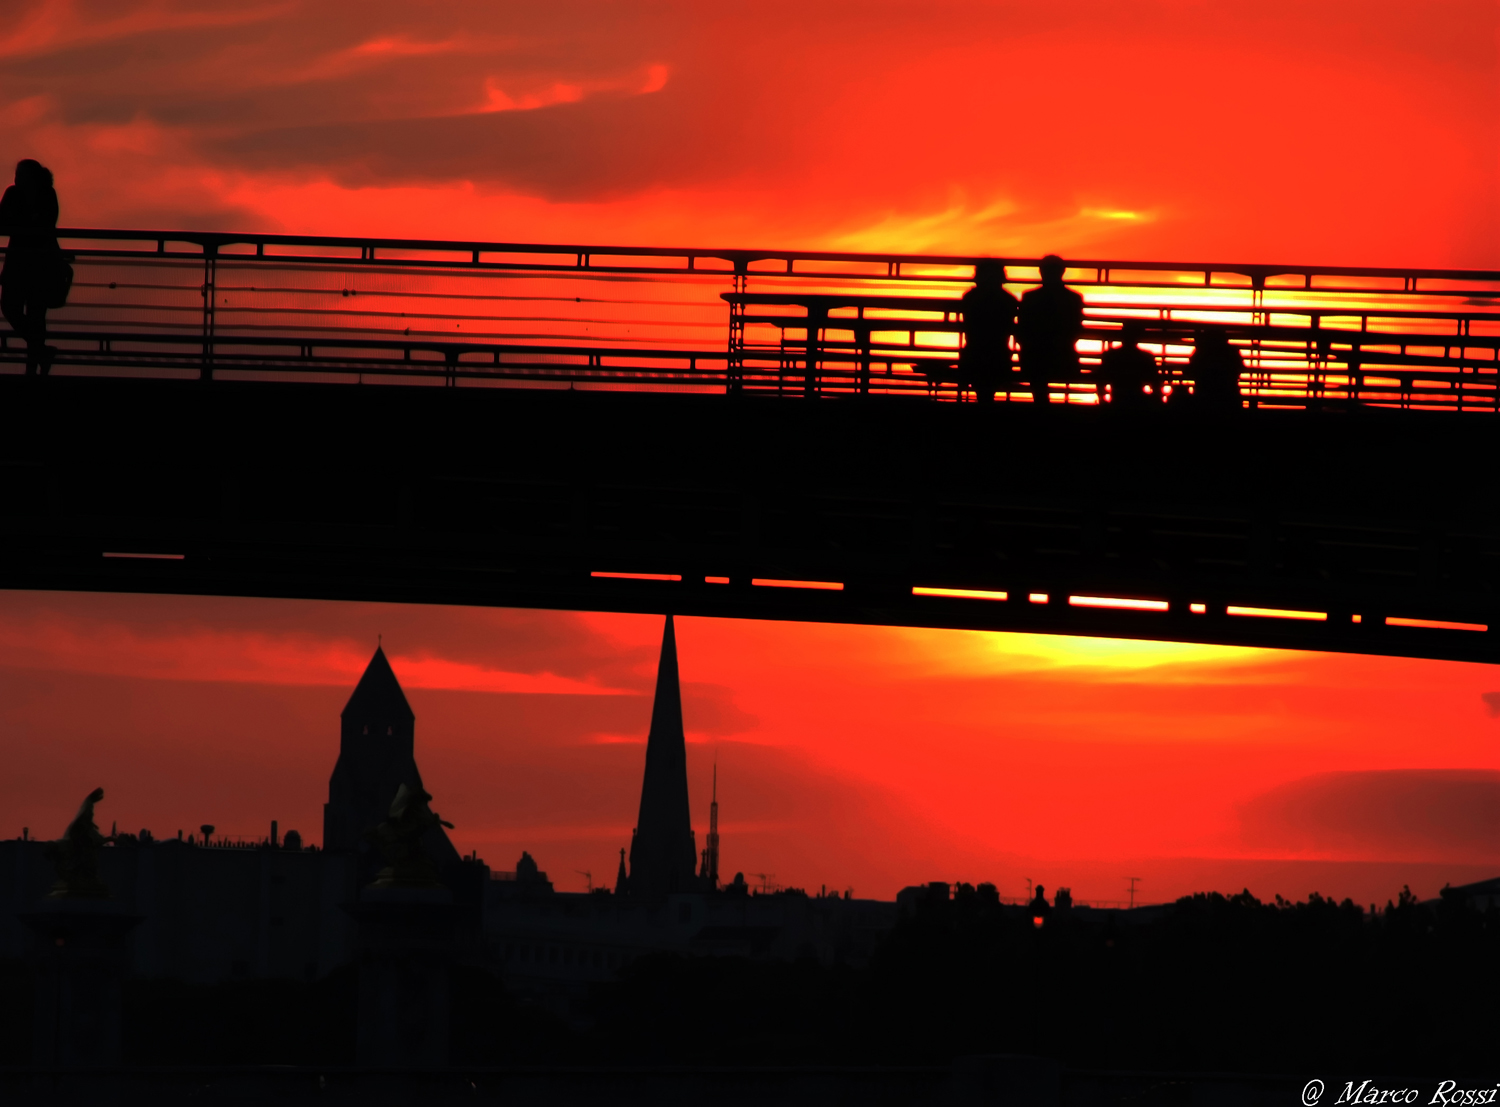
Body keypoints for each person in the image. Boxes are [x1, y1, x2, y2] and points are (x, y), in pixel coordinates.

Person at [0, 159, 63, 375]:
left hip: (39, 263)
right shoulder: (13, 194)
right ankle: (40, 352)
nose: (17, 179)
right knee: (11, 308)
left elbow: (45, 223)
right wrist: (28, 221)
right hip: (21, 262)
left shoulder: (46, 194)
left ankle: (33, 365)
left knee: (36, 314)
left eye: (21, 174)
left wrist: (20, 222)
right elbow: (3, 223)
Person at [1017, 254, 1084, 406]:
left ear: (1041, 272)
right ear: (1062, 271)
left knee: (1036, 374)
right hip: (1064, 356)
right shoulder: (1073, 298)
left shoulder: (1030, 297)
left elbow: (1022, 329)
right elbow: (1076, 330)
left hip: (1034, 357)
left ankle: (1041, 406)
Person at [958, 260, 1018, 403]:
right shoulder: (1009, 300)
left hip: (973, 356)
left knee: (981, 380)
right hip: (1000, 357)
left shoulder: (970, 298)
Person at [1098, 320, 1159, 410]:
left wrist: (1103, 401)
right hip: (1138, 400)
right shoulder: (1145, 357)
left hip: (1117, 400)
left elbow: (1101, 380)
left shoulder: (1111, 355)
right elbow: (1155, 383)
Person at [1187, 326, 1245, 412]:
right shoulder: (1231, 351)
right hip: (1229, 395)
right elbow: (1240, 368)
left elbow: (1189, 371)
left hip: (1204, 395)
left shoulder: (1202, 351)